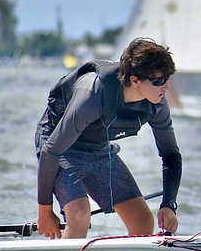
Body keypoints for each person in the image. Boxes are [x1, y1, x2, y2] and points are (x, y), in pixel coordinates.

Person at [35, 37, 182, 239]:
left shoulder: (156, 104)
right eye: (158, 81)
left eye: (168, 78)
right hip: (60, 147)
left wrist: (168, 204)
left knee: (143, 220)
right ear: (135, 80)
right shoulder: (94, 94)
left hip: (98, 149)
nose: (166, 87)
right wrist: (44, 212)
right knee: (79, 214)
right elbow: (51, 151)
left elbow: (171, 155)